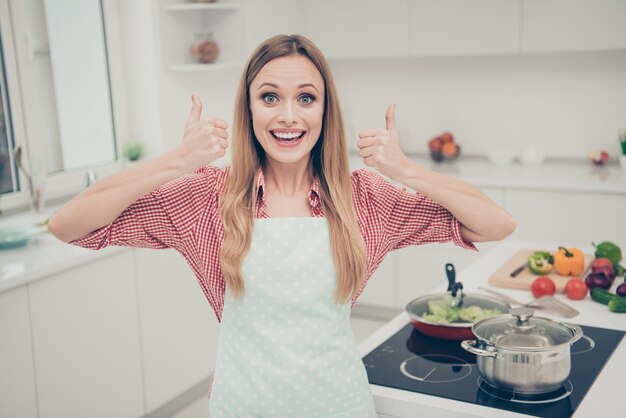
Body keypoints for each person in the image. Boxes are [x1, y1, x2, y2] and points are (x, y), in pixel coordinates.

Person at [48, 34, 516, 417]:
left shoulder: (363, 199)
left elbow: (495, 224)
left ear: (324, 111)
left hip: (339, 406)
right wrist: (177, 161)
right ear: (248, 110)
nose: (288, 115)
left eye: (306, 98)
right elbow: (68, 225)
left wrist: (405, 171)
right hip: (243, 406)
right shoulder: (207, 198)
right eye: (269, 96)